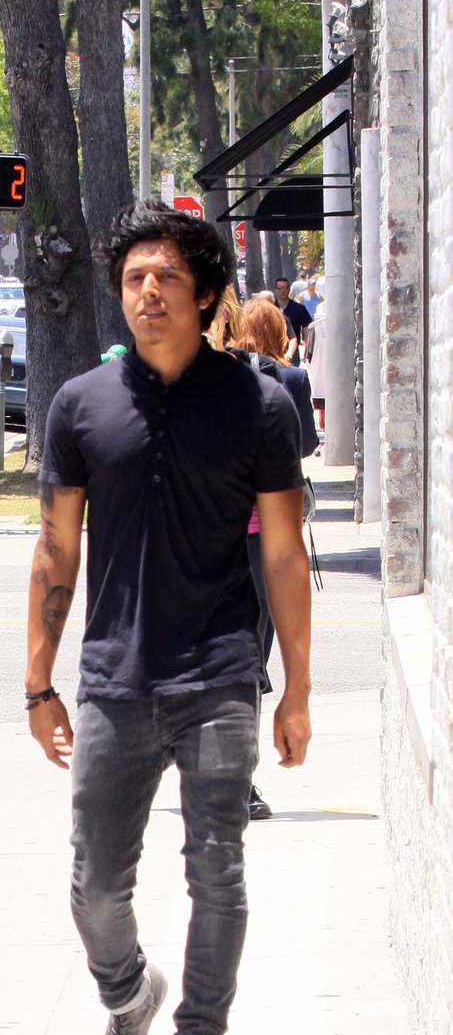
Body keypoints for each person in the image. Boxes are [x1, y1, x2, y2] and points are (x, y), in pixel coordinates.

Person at [27, 204, 312, 1035]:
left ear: (203, 298)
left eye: (166, 280)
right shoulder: (80, 405)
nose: (146, 295)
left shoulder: (258, 405)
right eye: (133, 280)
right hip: (112, 677)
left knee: (216, 872)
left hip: (222, 672)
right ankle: (127, 995)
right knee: (94, 884)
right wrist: (39, 681)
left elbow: (282, 554)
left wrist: (297, 689)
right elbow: (55, 550)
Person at [230, 298, 319, 821]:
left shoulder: (214, 378)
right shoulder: (291, 381)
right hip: (269, 537)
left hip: (217, 534)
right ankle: (239, 780)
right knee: (252, 659)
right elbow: (305, 444)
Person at [273, 276, 312, 364]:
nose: (282, 291)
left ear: (289, 289)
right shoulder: (270, 308)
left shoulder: (299, 308)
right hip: (274, 351)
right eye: (279, 288)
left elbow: (306, 328)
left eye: (285, 288)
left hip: (293, 352)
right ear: (276, 290)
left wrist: (307, 348)